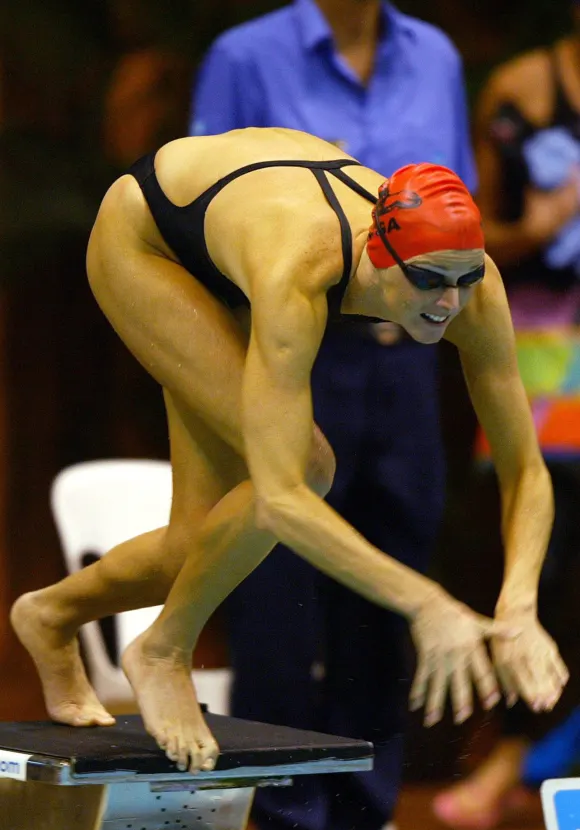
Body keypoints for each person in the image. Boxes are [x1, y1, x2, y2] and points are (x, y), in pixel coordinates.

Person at [10, 129, 567, 791]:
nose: (448, 302)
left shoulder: (471, 286)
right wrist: (426, 603)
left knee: (198, 545)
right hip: (152, 238)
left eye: (464, 279)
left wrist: (520, 607)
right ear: (379, 256)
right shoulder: (299, 271)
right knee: (305, 467)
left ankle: (50, 614)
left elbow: (525, 469)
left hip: (236, 230)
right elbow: (280, 495)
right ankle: (163, 648)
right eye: (428, 281)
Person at [189, 4, 477, 830]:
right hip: (295, 350)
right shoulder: (243, 55)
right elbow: (211, 231)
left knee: (384, 606)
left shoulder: (436, 55)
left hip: (408, 360)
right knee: (279, 598)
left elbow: (457, 210)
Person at [432, 6, 580, 830]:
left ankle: (541, 756)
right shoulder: (525, 88)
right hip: (545, 355)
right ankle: (511, 753)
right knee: (544, 565)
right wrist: (540, 224)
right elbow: (468, 233)